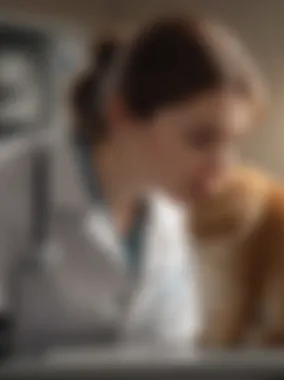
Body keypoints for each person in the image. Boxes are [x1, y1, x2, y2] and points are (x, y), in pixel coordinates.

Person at [0, 15, 264, 356]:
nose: (224, 167)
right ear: (121, 114)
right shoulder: (15, 186)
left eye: (233, 142)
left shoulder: (173, 213)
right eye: (201, 139)